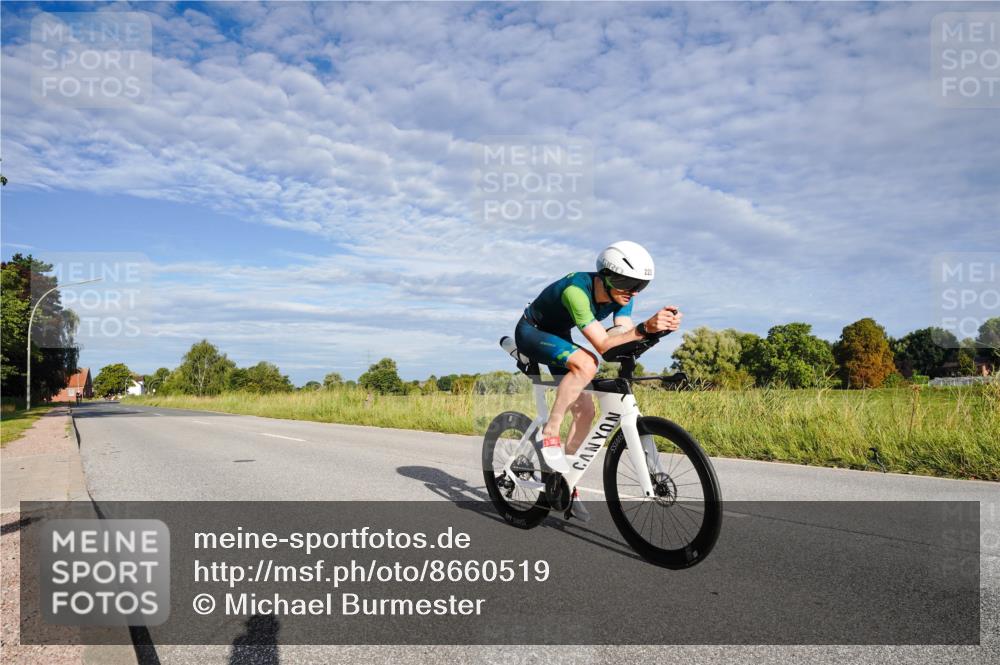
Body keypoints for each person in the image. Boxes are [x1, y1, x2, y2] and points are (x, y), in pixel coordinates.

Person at [513, 241, 683, 521]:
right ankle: (550, 430)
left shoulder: (624, 295)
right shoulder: (576, 292)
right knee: (587, 362)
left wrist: (655, 332)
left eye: (640, 285)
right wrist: (644, 328)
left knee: (586, 411)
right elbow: (604, 345)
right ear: (605, 275)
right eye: (625, 282)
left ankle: (566, 481)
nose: (632, 291)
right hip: (532, 332)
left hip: (559, 336)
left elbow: (622, 333)